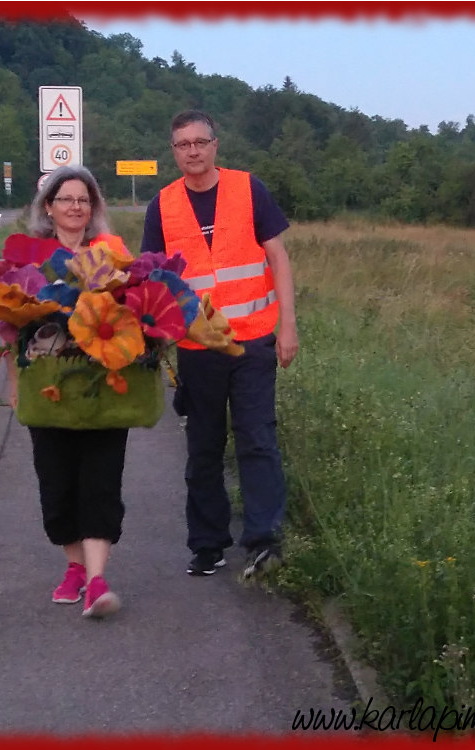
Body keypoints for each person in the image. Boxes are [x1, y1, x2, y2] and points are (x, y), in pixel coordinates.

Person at [140, 110, 300, 580]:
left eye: (200, 142)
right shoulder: (162, 206)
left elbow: (278, 257)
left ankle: (264, 541)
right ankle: (208, 545)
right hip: (197, 349)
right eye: (182, 144)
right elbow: (156, 279)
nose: (192, 151)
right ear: (174, 152)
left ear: (215, 145)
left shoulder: (249, 189)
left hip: (253, 343)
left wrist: (288, 325)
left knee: (257, 441)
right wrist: (156, 340)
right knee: (204, 448)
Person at [10, 165, 131, 619]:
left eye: (84, 199)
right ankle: (74, 568)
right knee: (57, 485)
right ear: (49, 207)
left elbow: (135, 309)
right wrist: (14, 389)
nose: (75, 207)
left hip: (104, 384)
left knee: (101, 481)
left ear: (93, 207)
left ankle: (97, 581)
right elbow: (10, 332)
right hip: (47, 386)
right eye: (66, 199)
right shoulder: (30, 260)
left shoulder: (113, 253)